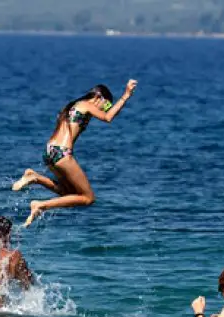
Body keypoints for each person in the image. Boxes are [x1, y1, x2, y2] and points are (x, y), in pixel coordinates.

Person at [12, 80, 138, 227]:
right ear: (99, 97)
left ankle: (35, 177)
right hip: (62, 153)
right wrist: (126, 96)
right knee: (88, 198)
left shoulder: (71, 107)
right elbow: (108, 117)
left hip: (50, 152)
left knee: (69, 195)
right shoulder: (87, 104)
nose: (105, 109)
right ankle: (40, 205)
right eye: (107, 105)